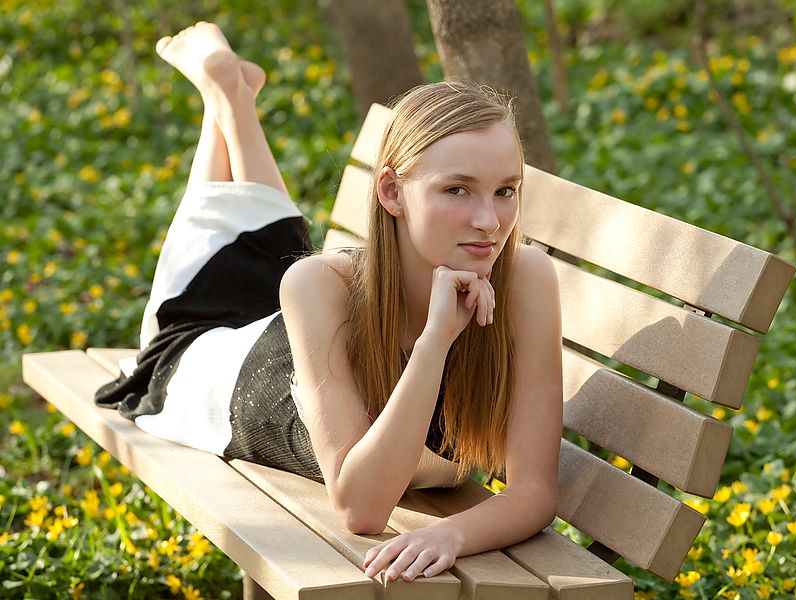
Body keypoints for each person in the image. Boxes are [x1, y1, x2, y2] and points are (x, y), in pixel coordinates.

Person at [95, 21, 563, 583]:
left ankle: (231, 98)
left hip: (307, 313)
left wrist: (451, 532)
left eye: (505, 190)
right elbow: (362, 509)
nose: (489, 222)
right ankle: (223, 99)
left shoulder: (526, 276)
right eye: (457, 189)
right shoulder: (319, 287)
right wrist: (436, 339)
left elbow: (534, 491)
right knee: (238, 278)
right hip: (210, 365)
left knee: (278, 247)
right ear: (391, 191)